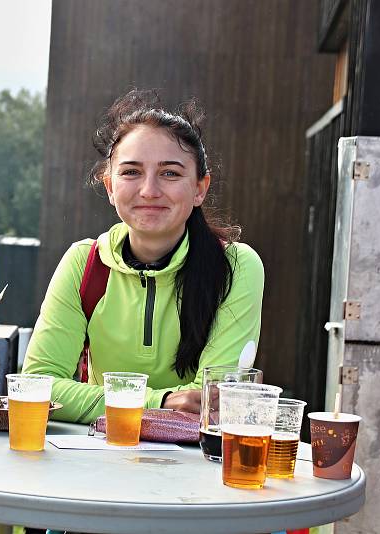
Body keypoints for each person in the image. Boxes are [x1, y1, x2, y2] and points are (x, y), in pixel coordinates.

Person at [23, 89, 264, 423]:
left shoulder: (236, 267)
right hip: (96, 461)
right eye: (131, 172)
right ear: (109, 186)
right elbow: (39, 387)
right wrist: (161, 402)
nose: (149, 190)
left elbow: (210, 405)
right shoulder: (83, 263)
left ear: (199, 188)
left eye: (170, 173)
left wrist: (104, 402)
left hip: (191, 469)